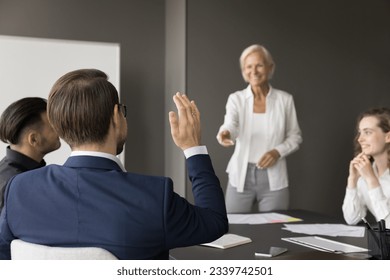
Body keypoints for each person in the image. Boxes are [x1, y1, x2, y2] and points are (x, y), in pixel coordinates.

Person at [0, 69, 228, 260]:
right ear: (117, 116)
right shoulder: (154, 196)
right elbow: (215, 222)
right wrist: (193, 148)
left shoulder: (18, 190)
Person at [217, 44, 302, 213]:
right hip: (241, 174)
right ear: (243, 71)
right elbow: (230, 124)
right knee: (233, 227)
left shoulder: (285, 100)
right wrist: (226, 134)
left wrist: (276, 152)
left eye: (259, 65)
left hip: (274, 177)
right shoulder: (236, 99)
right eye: (248, 66)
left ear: (270, 68)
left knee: (274, 230)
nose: (254, 71)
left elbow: (295, 137)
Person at [0, 97, 61, 210]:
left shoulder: (11, 173)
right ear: (34, 139)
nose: (60, 129)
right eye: (53, 126)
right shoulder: (15, 186)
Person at [342, 107, 390, 228]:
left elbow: (388, 226)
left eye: (367, 132)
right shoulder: (367, 171)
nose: (360, 139)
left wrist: (372, 181)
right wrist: (352, 181)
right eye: (360, 132)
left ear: (388, 137)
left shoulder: (369, 175)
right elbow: (352, 218)